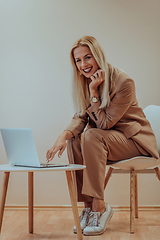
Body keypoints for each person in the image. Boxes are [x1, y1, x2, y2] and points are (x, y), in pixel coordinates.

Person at [46, 36, 159, 236]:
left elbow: (105, 123)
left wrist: (94, 92)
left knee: (91, 135)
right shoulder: (84, 81)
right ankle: (89, 207)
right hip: (107, 142)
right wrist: (63, 135)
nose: (83, 65)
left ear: (98, 55)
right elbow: (81, 115)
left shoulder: (124, 81)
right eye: (78, 61)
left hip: (134, 141)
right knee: (75, 138)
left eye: (87, 57)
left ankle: (100, 206)